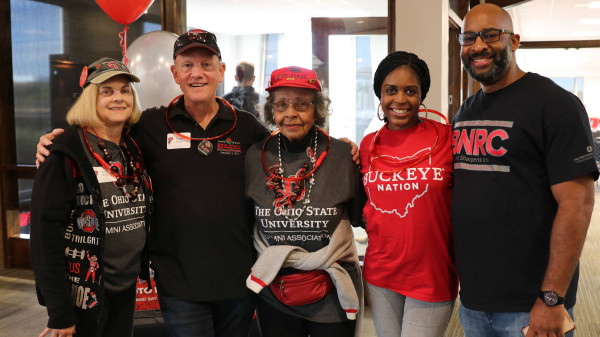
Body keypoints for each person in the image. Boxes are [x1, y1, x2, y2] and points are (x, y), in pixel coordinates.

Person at [35, 29, 359, 337]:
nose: (197, 73)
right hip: (179, 282)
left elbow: (291, 149)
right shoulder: (148, 125)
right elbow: (102, 130)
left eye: (206, 64)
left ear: (221, 71)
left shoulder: (247, 128)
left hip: (239, 280)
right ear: (175, 74)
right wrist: (59, 140)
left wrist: (340, 149)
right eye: (187, 65)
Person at [452, 4, 598, 337]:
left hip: (531, 304)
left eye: (491, 35)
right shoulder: (466, 111)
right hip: (474, 300)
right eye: (469, 37)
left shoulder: (555, 105)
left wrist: (551, 298)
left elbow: (577, 207)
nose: (478, 46)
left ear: (514, 41)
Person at [30, 57, 153, 337]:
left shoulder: (133, 146)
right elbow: (44, 238)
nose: (118, 98)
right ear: (89, 99)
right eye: (106, 91)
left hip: (125, 286)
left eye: (124, 90)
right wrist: (59, 312)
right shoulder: (64, 152)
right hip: (83, 295)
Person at [245, 66, 364, 337]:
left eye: (302, 104)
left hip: (333, 292)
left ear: (317, 109)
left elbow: (360, 216)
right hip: (274, 291)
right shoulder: (254, 156)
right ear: (270, 110)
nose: (290, 113)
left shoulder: (343, 154)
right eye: (282, 104)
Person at [358, 51, 458, 337]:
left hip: (431, 274)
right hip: (381, 274)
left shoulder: (447, 138)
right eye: (391, 90)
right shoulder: (368, 145)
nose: (400, 100)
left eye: (410, 91)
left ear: (421, 95)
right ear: (380, 93)